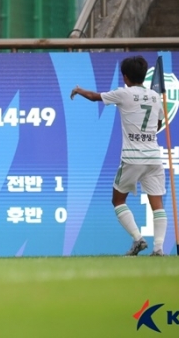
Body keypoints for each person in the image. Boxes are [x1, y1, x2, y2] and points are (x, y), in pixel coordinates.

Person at [69, 56, 167, 256]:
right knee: (157, 204)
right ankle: (159, 249)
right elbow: (157, 126)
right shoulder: (156, 96)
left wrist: (79, 90)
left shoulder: (124, 93)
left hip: (132, 157)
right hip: (154, 156)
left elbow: (96, 97)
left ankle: (138, 239)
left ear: (125, 77)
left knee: (118, 200)